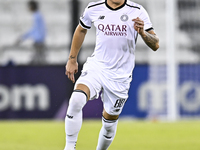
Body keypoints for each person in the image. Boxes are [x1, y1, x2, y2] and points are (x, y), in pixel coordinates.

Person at [64, 0, 159, 149]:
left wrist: (142, 33)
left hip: (120, 76)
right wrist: (72, 59)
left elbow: (155, 44)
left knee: (109, 124)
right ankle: (69, 147)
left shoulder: (137, 10)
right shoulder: (94, 8)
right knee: (76, 99)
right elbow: (81, 29)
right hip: (98, 66)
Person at [16, 0, 46, 65]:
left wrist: (23, 37)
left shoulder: (37, 16)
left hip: (38, 41)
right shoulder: (38, 15)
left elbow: (35, 29)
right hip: (39, 40)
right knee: (39, 58)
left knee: (38, 59)